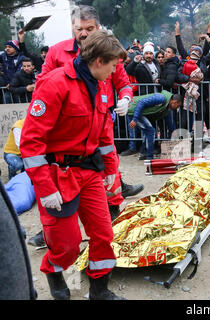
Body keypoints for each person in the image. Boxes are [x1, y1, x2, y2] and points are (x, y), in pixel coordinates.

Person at [20, 29, 126, 300]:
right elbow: (31, 143)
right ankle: (54, 271)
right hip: (58, 175)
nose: (115, 73)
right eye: (113, 66)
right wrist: (44, 188)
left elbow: (104, 134)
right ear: (99, 61)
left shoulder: (101, 86)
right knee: (67, 244)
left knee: (103, 234)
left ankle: (99, 292)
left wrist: (111, 170)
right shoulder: (55, 83)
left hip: (89, 172)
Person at [27, 4, 143, 247]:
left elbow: (121, 80)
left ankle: (112, 206)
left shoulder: (109, 53)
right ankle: (54, 232)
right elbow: (43, 85)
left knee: (105, 165)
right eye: (79, 29)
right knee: (60, 207)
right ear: (73, 28)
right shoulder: (57, 54)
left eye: (89, 28)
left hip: (100, 117)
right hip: (66, 127)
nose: (84, 33)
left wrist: (124, 99)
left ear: (98, 28)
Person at [128, 91, 183, 160]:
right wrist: (135, 119)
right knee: (151, 131)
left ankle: (143, 153)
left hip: (138, 112)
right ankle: (149, 156)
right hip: (135, 110)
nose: (177, 108)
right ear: (174, 101)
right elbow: (142, 102)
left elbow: (171, 126)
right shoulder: (161, 98)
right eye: (177, 106)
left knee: (148, 132)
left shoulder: (167, 107)